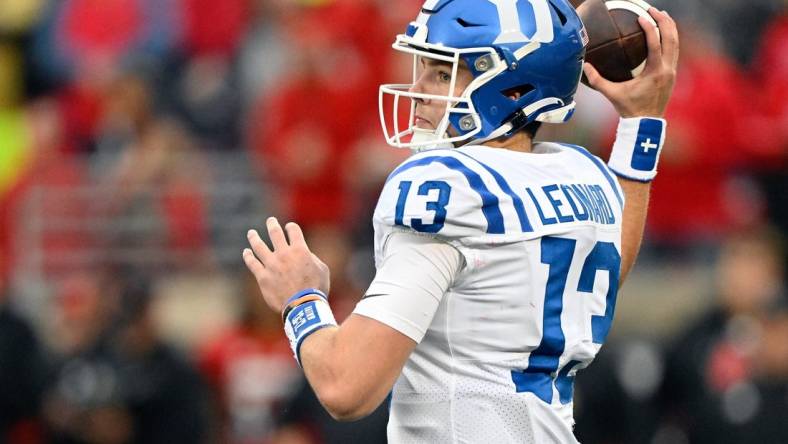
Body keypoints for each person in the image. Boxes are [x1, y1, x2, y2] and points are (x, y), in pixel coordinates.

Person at [242, 0, 679, 442]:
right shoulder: (582, 175)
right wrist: (642, 123)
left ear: (511, 88)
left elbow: (346, 387)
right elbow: (607, 267)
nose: (418, 89)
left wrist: (301, 298)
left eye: (442, 73)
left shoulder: (450, 187)